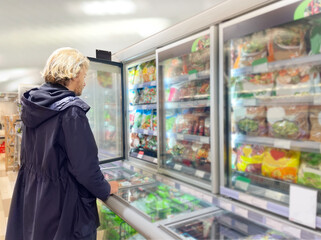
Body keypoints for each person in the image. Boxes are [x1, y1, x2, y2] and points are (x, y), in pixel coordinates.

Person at [6, 47, 119, 240]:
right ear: (73, 74)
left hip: (36, 196)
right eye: (83, 76)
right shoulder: (71, 112)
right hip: (64, 204)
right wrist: (106, 188)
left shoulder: (33, 105)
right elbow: (85, 168)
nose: (84, 82)